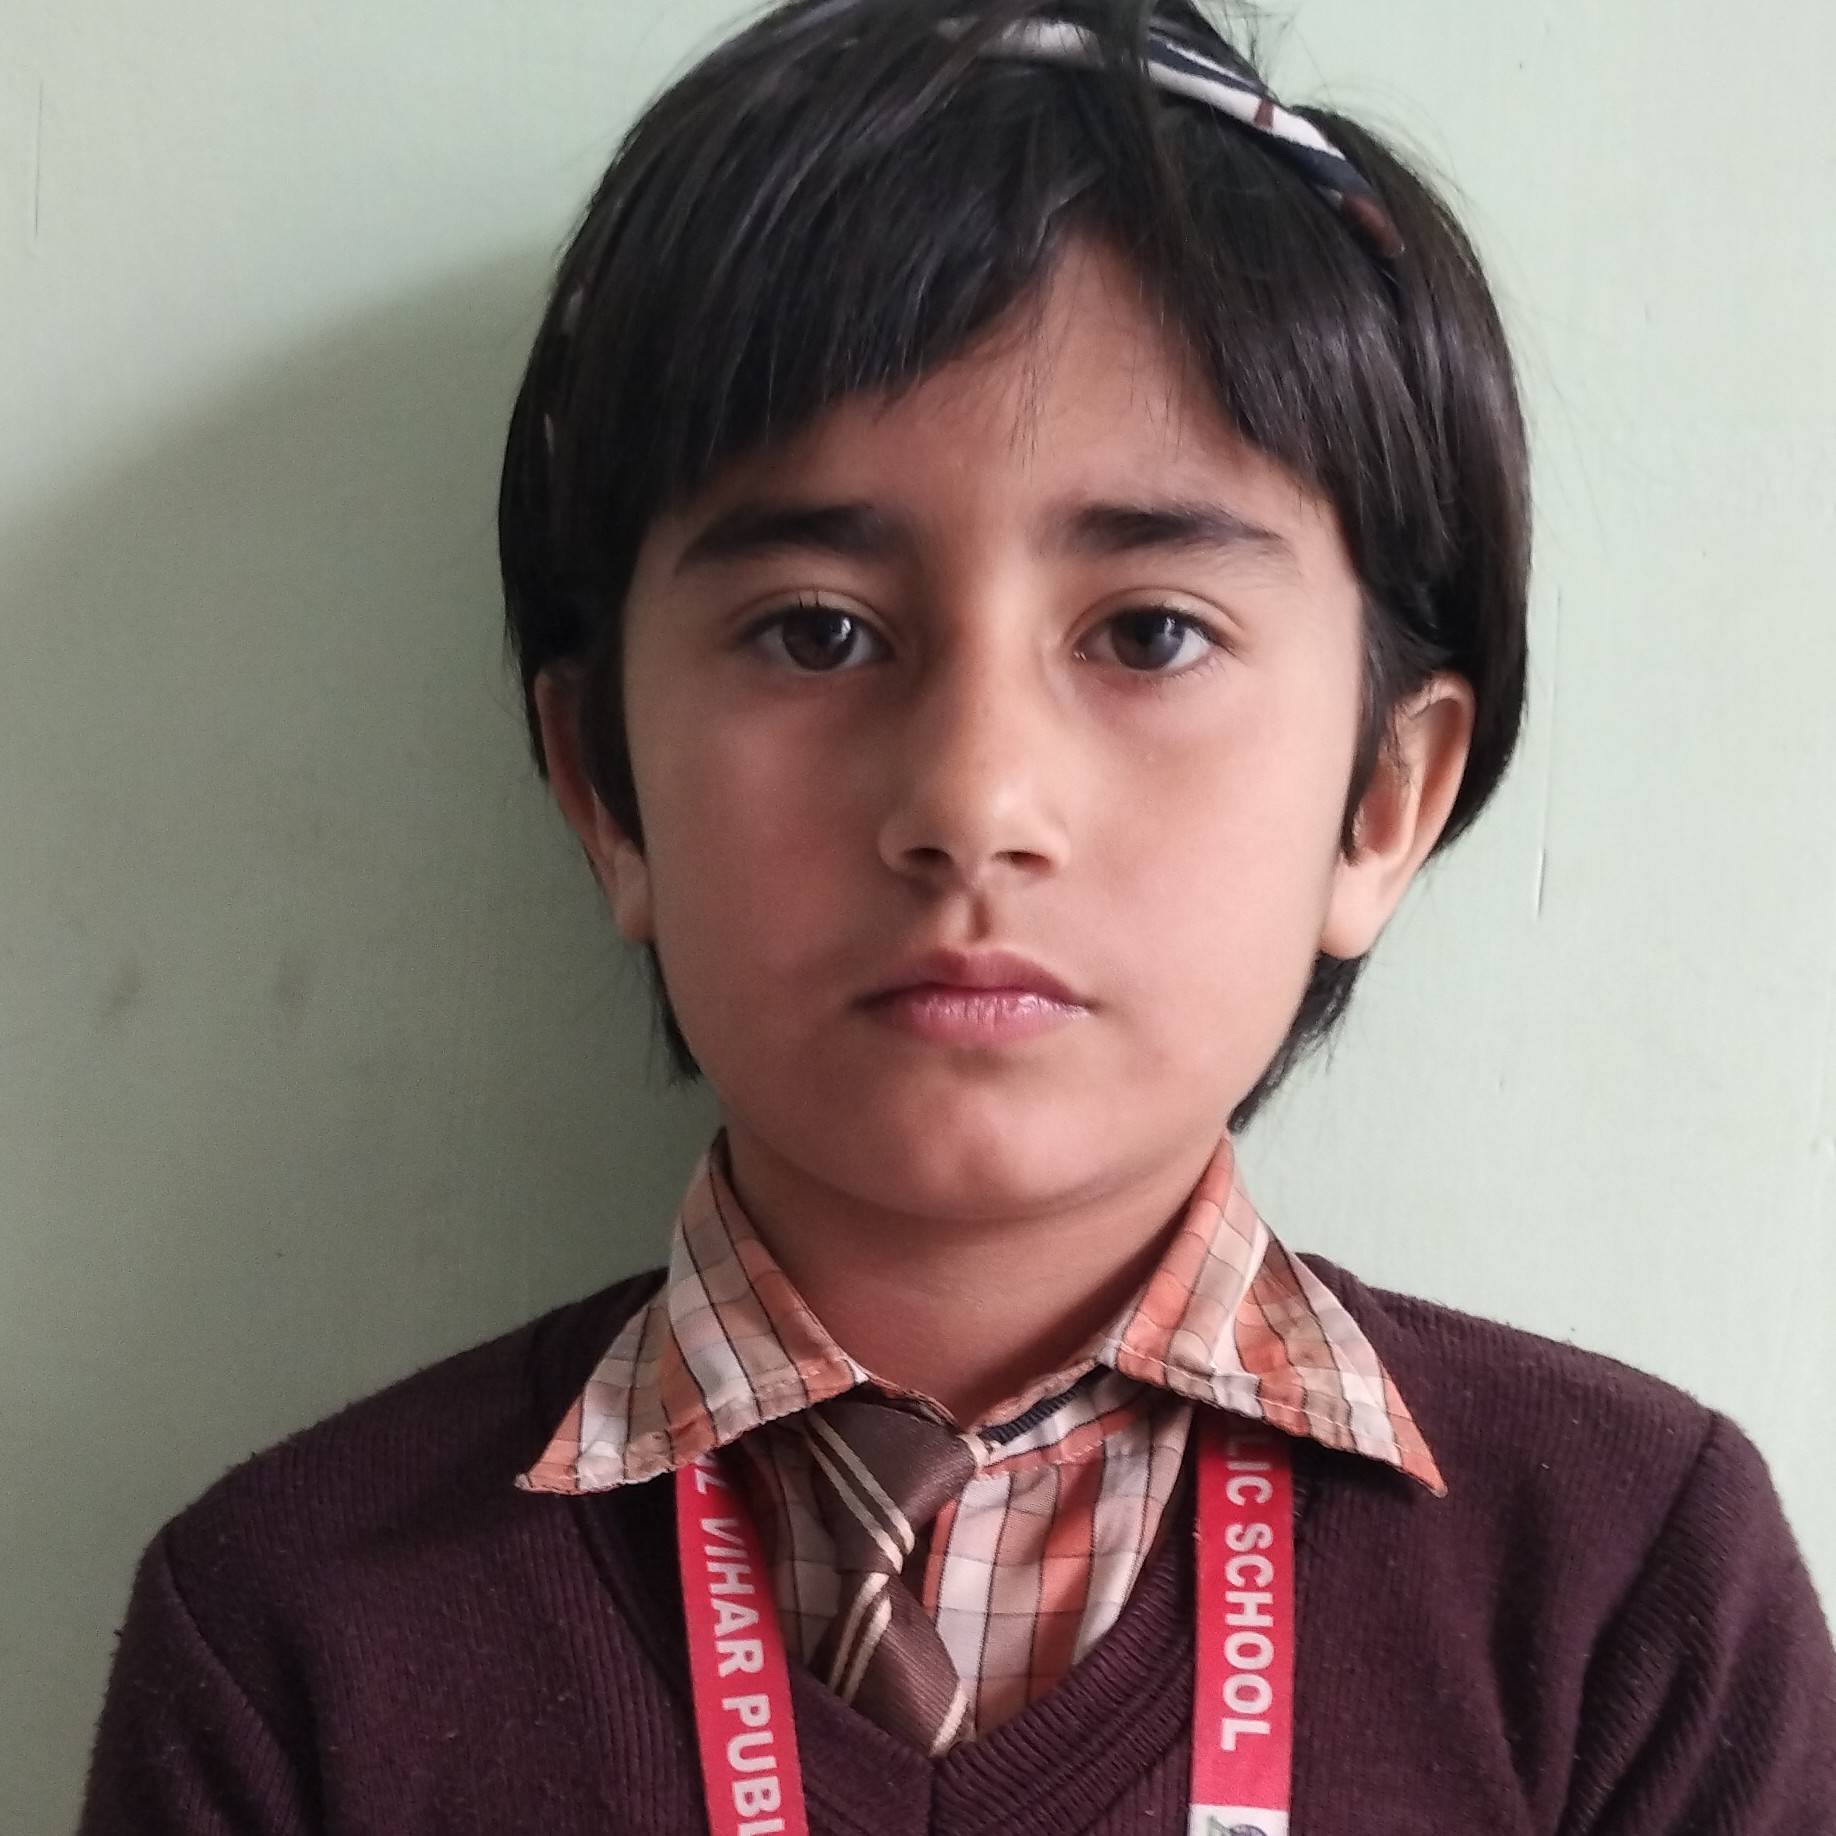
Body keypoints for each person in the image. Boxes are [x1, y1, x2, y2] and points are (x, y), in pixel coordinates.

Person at [79, 1, 1836, 1830]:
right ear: (605, 790)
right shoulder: (294, 1639)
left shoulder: (1624, 1596)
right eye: (816, 632)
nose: (975, 801)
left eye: (1150, 632)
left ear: (1383, 801)